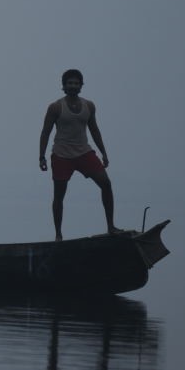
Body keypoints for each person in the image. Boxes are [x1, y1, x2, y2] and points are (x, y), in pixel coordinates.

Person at [38, 69, 120, 241]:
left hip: (84, 152)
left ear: (81, 86)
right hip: (61, 155)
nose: (73, 86)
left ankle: (111, 226)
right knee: (59, 196)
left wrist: (104, 152)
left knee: (106, 183)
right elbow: (45, 132)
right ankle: (59, 235)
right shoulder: (55, 107)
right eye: (69, 83)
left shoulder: (88, 106)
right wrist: (42, 156)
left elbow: (95, 130)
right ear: (64, 86)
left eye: (76, 83)